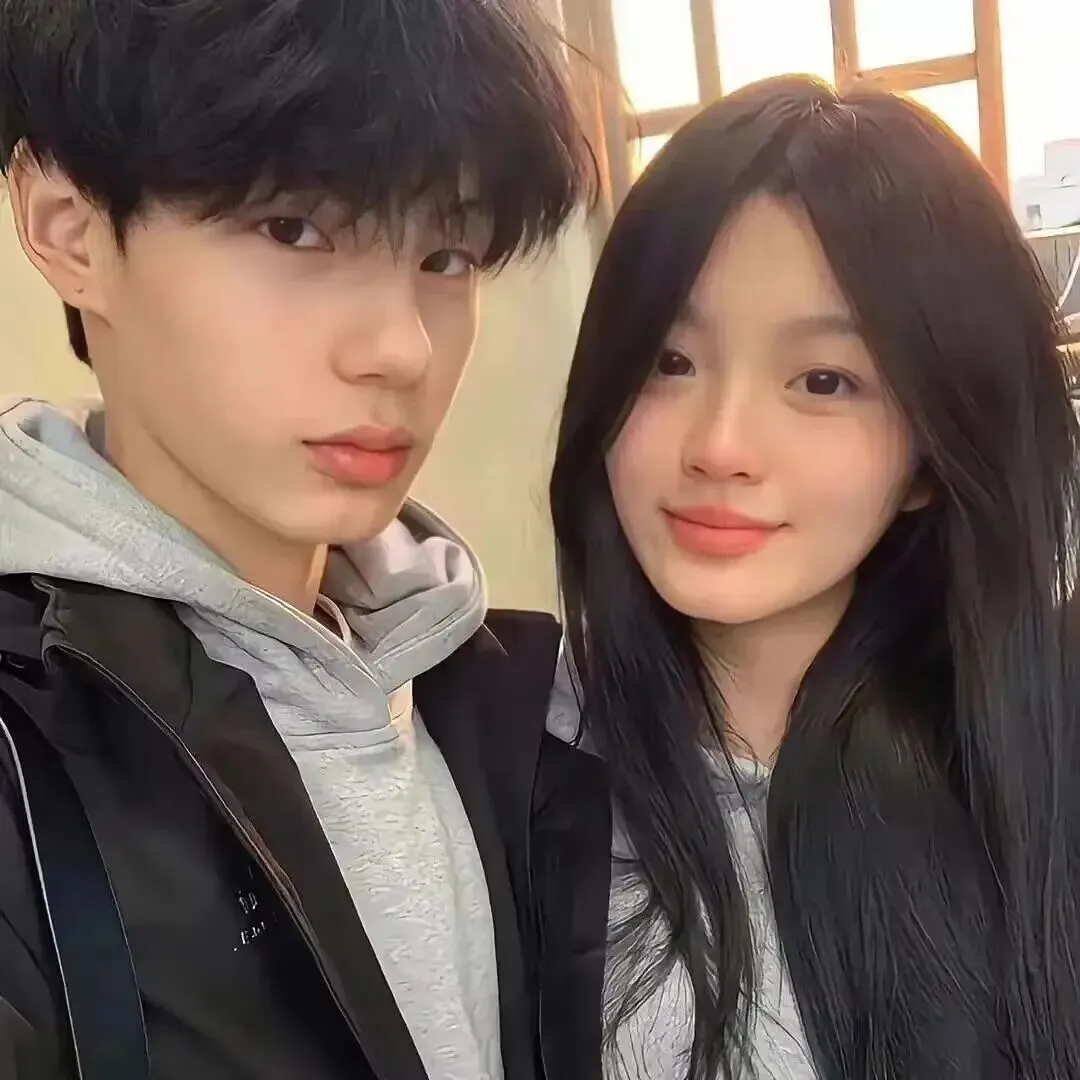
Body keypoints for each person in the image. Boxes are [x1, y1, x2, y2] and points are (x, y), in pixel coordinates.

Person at [0, 1, 592, 1078]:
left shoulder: (502, 695)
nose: (402, 349)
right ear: (68, 229)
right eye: (295, 230)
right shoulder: (22, 741)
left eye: (448, 255)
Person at [538, 76, 1080, 1079]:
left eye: (824, 381)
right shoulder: (514, 758)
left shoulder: (1039, 751)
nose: (721, 446)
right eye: (668, 361)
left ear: (932, 453)